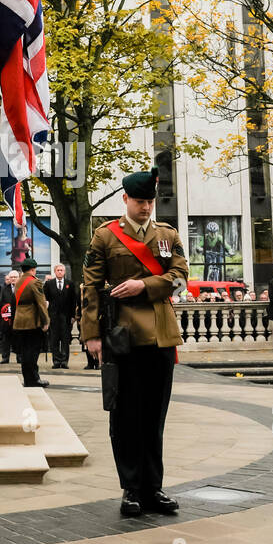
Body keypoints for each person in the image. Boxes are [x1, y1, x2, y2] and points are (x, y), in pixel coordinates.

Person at [81, 167, 189, 518]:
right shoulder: (105, 237)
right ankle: (130, 489)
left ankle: (153, 487)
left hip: (159, 334)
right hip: (122, 336)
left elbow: (180, 279)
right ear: (125, 199)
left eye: (150, 201)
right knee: (125, 416)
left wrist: (144, 285)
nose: (145, 208)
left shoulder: (167, 235)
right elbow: (91, 288)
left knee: (154, 416)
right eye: (139, 201)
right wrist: (92, 335)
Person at [12, 258, 50, 387]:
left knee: (25, 352)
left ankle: (28, 379)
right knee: (32, 352)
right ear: (33, 269)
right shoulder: (35, 282)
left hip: (20, 320)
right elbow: (41, 303)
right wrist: (46, 321)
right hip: (32, 321)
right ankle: (34, 379)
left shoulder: (18, 282)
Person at [44, 264, 79, 369]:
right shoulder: (49, 284)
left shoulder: (70, 284)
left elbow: (73, 301)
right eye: (58, 270)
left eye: (62, 270)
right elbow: (45, 300)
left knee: (65, 339)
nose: (60, 272)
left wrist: (73, 316)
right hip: (53, 316)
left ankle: (64, 361)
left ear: (64, 272)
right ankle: (56, 361)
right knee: (54, 339)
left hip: (66, 316)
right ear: (55, 271)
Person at [0, 270, 19, 363]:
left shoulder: (22, 288)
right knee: (6, 338)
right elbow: (0, 301)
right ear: (9, 279)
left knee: (19, 338)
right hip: (7, 318)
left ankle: (20, 357)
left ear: (19, 278)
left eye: (15, 277)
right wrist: (6, 307)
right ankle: (5, 357)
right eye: (11, 277)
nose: (13, 279)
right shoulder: (4, 289)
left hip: (18, 318)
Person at [78, 282, 100, 368]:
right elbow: (79, 304)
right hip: (84, 317)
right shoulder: (82, 289)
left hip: (96, 317)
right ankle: (90, 363)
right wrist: (78, 316)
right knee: (85, 343)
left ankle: (98, 362)